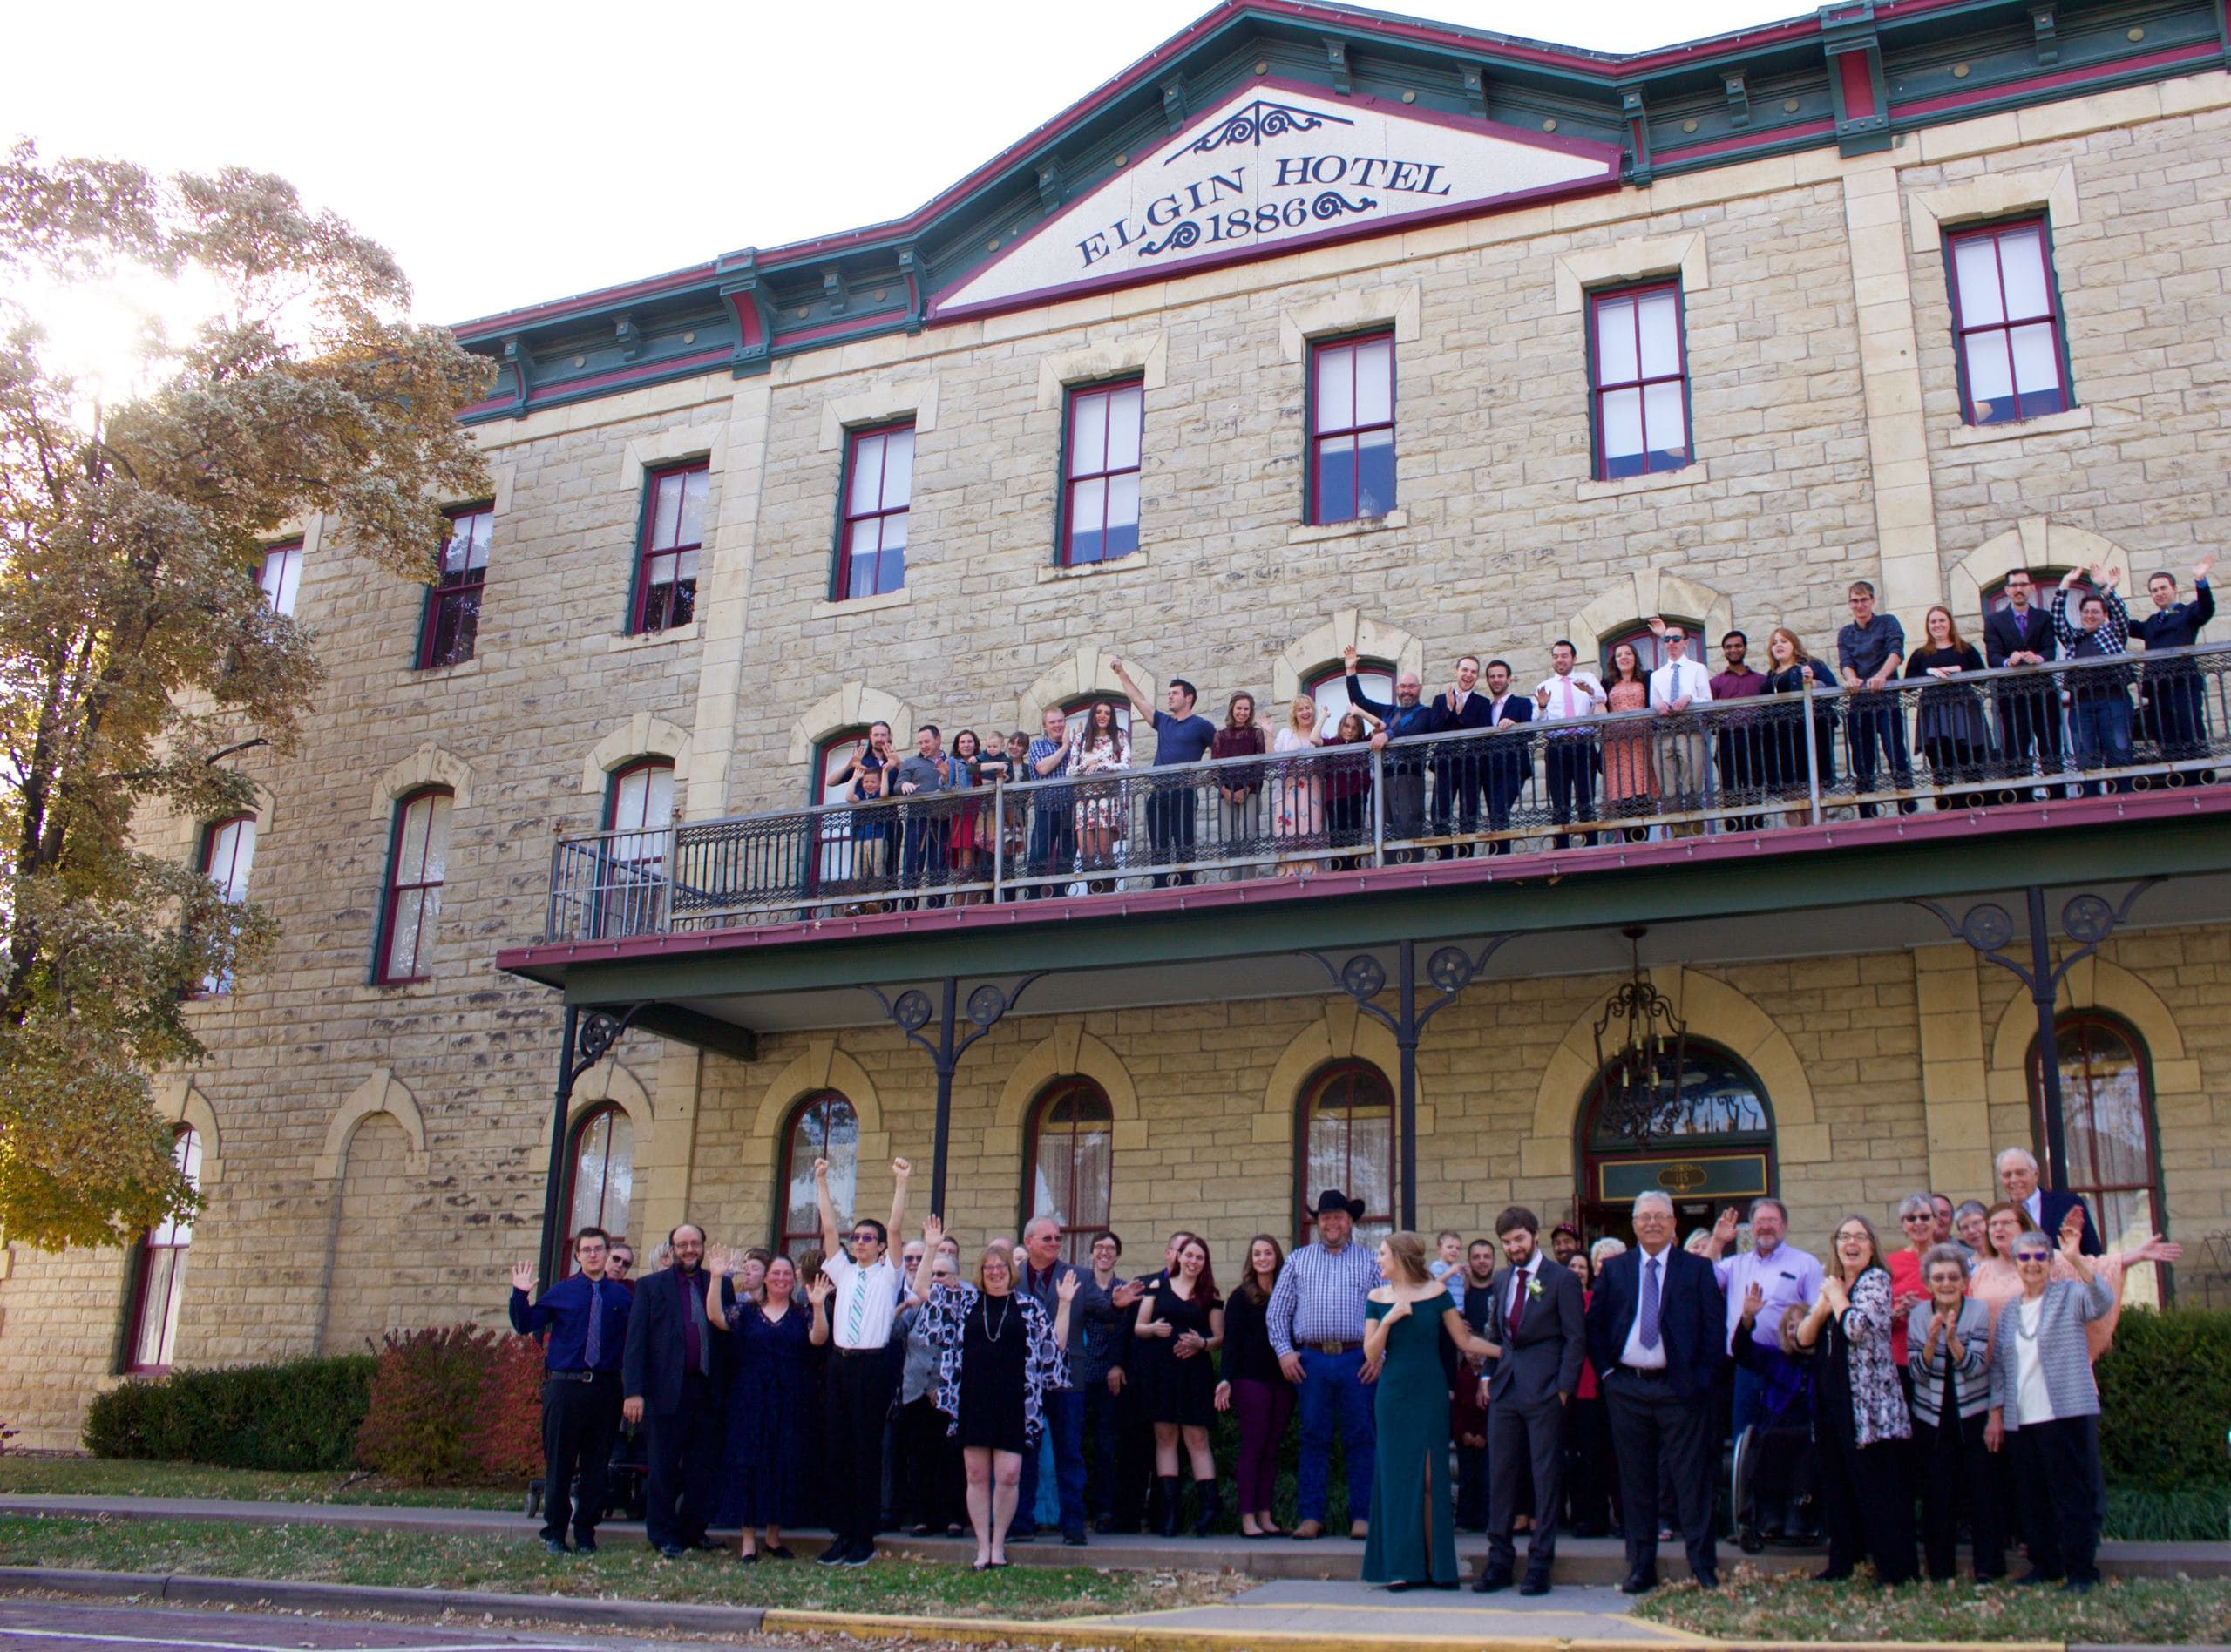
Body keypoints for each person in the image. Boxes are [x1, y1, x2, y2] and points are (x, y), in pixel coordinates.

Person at [910, 1219, 1077, 1571]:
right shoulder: (966, 1303)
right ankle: (982, 1547)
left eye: (1002, 1267)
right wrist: (929, 1248)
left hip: (1014, 1403)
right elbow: (924, 1289)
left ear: (1011, 1272)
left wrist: (1064, 1304)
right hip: (973, 1400)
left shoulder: (1029, 1308)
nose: (996, 1273)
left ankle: (999, 1544)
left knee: (1010, 1475)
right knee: (975, 1475)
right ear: (981, 1272)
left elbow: (1056, 1346)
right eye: (989, 1268)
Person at [1584, 1190, 1724, 1593]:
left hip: (1680, 1390)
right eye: (1644, 1217)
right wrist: (1609, 1375)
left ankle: (1702, 1566)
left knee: (1691, 1482)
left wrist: (1700, 1381)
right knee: (1636, 1483)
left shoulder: (1696, 1270)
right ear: (1633, 1223)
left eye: (1660, 1216)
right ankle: (1640, 1567)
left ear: (1673, 1223)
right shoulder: (1615, 1269)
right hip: (1628, 1388)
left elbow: (1714, 1332)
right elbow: (1596, 1326)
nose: (1652, 1223)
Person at [1988, 1211, 2117, 1592]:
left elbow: (2102, 1301)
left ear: (2049, 1262)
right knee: (2033, 1497)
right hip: (2022, 1418)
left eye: (2039, 1257)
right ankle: (2044, 1564)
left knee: (2071, 1496)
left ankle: (2081, 1571)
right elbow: (1999, 1366)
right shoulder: (2011, 1310)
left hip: (2065, 1413)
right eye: (2024, 1258)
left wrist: (2075, 1259)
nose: (2031, 1265)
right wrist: (1996, 1413)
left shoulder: (2070, 1294)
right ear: (2015, 1263)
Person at [1362, 1231, 1496, 1590]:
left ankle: (1437, 1567)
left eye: (1382, 1254)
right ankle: (1401, 1568)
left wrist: (1508, 1354)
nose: (1378, 1260)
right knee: (1396, 1476)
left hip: (1430, 1392)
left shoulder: (1436, 1294)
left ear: (1401, 1258)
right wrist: (1390, 1319)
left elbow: (1464, 1341)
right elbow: (1371, 1355)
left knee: (1429, 1477)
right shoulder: (1377, 1297)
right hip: (1393, 1395)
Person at [1792, 1215, 1916, 1587]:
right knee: (1836, 1483)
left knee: (1878, 1486)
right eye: (1844, 1237)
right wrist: (1822, 1305)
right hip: (1832, 1399)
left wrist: (1836, 1298)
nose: (1851, 1243)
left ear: (1871, 1246)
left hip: (1868, 1403)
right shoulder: (1832, 1284)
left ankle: (1896, 1569)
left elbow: (1858, 1329)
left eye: (1859, 1237)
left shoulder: (1876, 1281)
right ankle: (1842, 1561)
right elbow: (1803, 1338)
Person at [1473, 1207, 1587, 1597]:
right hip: (1505, 1389)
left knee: (1544, 1477)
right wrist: (1487, 1375)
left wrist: (1563, 1389)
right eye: (1506, 1242)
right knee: (1501, 1476)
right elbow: (1494, 1333)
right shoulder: (1502, 1280)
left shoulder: (1561, 1279)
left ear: (1534, 1236)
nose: (1513, 1248)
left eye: (1519, 1240)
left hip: (1545, 1390)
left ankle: (1540, 1564)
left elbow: (1576, 1338)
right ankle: (1499, 1562)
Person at [1265, 1189, 1383, 1540]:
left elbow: (1388, 1311)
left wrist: (1380, 1355)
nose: (1333, 1223)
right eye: (1326, 1217)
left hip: (1357, 1359)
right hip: (1311, 1360)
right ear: (1318, 1223)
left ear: (1350, 1222)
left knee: (1362, 1437)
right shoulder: (1298, 1261)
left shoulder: (1370, 1261)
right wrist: (1285, 1352)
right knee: (1313, 1437)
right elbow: (1277, 1312)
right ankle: (1310, 1517)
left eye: (1339, 1217)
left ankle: (1363, 1516)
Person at [812, 1154, 912, 1566]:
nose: (859, 1242)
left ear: (882, 1247)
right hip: (840, 1363)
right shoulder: (844, 1271)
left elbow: (895, 1226)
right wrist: (820, 1180)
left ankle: (864, 1538)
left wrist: (901, 1183)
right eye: (857, 1238)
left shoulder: (889, 1274)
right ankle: (842, 1533)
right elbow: (829, 1227)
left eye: (867, 1239)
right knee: (838, 1449)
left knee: (865, 1450)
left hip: (873, 1367)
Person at [509, 1229, 630, 1555]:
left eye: (598, 1249)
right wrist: (520, 1295)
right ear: (577, 1255)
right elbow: (525, 1323)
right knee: (560, 1463)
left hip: (606, 1388)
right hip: (564, 1387)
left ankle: (586, 1534)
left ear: (607, 1254)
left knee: (596, 1464)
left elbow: (635, 1344)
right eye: (586, 1250)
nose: (593, 1255)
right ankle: (554, 1534)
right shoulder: (562, 1291)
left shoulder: (621, 1297)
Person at [706, 1249, 828, 1561]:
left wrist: (818, 1306)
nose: (781, 1279)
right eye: (776, 1273)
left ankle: (773, 1537)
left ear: (794, 1279)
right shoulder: (745, 1313)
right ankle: (748, 1541)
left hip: (791, 1398)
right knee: (749, 1462)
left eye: (787, 1275)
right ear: (766, 1277)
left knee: (782, 1462)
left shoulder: (803, 1313)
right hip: (751, 1398)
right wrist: (717, 1277)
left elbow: (818, 1339)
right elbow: (715, 1317)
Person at [620, 1223, 732, 1559]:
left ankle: (693, 1531)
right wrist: (633, 1392)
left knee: (703, 1469)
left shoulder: (720, 1285)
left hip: (708, 1390)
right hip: (666, 1391)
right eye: (682, 1244)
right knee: (664, 1467)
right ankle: (663, 1535)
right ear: (671, 1250)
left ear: (703, 1246)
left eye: (694, 1244)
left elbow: (727, 1338)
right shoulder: (650, 1287)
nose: (689, 1250)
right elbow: (636, 1342)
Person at [1012, 1215, 1108, 1546]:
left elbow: (1103, 1309)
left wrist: (1118, 1306)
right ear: (1029, 1242)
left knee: (1069, 1451)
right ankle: (1022, 1523)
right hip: (1023, 1379)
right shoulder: (1012, 1278)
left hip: (1067, 1377)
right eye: (1047, 1238)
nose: (1054, 1243)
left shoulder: (1078, 1275)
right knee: (1025, 1452)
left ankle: (1073, 1525)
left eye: (1057, 1239)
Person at [1909, 1242, 2001, 1582]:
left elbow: (1977, 1367)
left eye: (1952, 1277)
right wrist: (1932, 1342)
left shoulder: (1977, 1311)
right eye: (1938, 1278)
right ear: (1928, 1284)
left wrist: (1954, 1342)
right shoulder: (1919, 1315)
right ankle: (1940, 1569)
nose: (1945, 1283)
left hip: (1972, 1415)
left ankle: (1988, 1569)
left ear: (1964, 1281)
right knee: (1937, 1495)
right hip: (1932, 1418)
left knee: (1983, 1495)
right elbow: (1917, 1373)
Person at [1702, 1198, 1821, 1453]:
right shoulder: (1736, 1264)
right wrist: (1718, 1242)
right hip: (1745, 1368)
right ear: (1751, 1227)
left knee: (1783, 1444)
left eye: (1772, 1221)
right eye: (1760, 1222)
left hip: (1786, 1368)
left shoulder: (1805, 1263)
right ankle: (1745, 1493)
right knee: (1743, 1440)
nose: (1766, 1227)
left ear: (1785, 1226)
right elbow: (1699, 1279)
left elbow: (1816, 1316)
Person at [1134, 1234, 1225, 1534]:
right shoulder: (1157, 1288)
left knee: (1197, 1440)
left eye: (1199, 1257)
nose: (1193, 1261)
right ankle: (1169, 1512)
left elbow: (1220, 1338)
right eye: (1189, 1255)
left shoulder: (1210, 1294)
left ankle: (1209, 1510)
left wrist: (1202, 1343)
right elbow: (1139, 1327)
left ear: (1204, 1262)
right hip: (1161, 1373)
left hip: (1194, 1375)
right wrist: (1153, 1328)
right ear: (1178, 1257)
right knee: (1165, 1439)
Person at [1215, 1235, 1293, 1539]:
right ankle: (1248, 1519)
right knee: (1253, 1446)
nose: (1263, 1258)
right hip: (1250, 1380)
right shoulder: (1240, 1297)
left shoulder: (1287, 1293)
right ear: (1252, 1259)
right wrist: (1225, 1378)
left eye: (1268, 1252)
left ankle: (1266, 1516)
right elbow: (1231, 1343)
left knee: (1272, 1449)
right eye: (1257, 1253)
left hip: (1282, 1380)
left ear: (1277, 1257)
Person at [1112, 657, 1216, 886]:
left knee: (1184, 844)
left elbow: (1222, 750)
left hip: (1184, 792)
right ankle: (1159, 886)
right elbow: (1138, 700)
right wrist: (1121, 673)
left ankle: (1186, 885)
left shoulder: (1201, 726)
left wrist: (1209, 778)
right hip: (1158, 792)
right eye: (1169, 693)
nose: (1169, 696)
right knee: (1158, 845)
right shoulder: (1164, 723)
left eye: (1174, 693)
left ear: (1188, 698)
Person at [895, 1250, 966, 1536]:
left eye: (942, 1274)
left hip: (949, 1394)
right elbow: (891, 1333)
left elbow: (963, 1350)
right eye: (932, 1274)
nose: (936, 1279)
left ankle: (953, 1516)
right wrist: (900, 1309)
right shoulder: (916, 1307)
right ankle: (922, 1516)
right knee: (919, 1457)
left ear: (955, 1280)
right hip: (915, 1392)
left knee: (950, 1459)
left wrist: (945, 1386)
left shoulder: (963, 1307)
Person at [1076, 1231, 1143, 1529]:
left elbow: (1128, 1336)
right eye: (1099, 1247)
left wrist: (1117, 1365)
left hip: (1109, 1378)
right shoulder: (1079, 1286)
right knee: (1073, 1444)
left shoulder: (1124, 1289)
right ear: (1091, 1253)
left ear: (1117, 1256)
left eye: (1111, 1249)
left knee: (1105, 1446)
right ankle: (1074, 1509)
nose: (1104, 1252)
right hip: (1076, 1375)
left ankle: (1103, 1510)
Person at [2051, 564, 2136, 794]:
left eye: (2095, 612)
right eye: (2086, 612)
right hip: (2082, 702)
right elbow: (2057, 619)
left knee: (2118, 751)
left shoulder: (2112, 633)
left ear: (2104, 616)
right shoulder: (2074, 637)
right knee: (2085, 755)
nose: (2089, 616)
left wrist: (2104, 587)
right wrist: (2065, 585)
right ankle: (2090, 798)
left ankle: (2124, 797)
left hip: (2114, 700)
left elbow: (2120, 613)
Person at [1343, 645, 1437, 850]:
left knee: (1407, 832)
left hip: (1408, 779)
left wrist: (1388, 734)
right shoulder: (1389, 711)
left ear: (1419, 689)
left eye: (1411, 687)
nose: (1407, 691)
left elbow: (1417, 730)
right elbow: (1359, 702)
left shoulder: (1425, 713)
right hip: (1382, 779)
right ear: (1397, 689)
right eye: (1403, 687)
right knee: (1382, 834)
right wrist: (1351, 671)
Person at [1983, 568, 2065, 797]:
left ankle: (2057, 795)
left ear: (2031, 588)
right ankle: (2020, 797)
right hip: (2011, 695)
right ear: (2007, 590)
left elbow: (2050, 648)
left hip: (2043, 692)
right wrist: (2009, 660)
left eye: (2023, 585)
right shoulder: (1994, 621)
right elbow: (1993, 655)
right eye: (2014, 585)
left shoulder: (2044, 617)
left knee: (2050, 743)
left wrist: (2038, 658)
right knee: (2016, 747)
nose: (2018, 589)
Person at [1838, 580, 1917, 816]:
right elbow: (1846, 662)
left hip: (1885, 698)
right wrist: (1851, 679)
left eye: (1864, 600)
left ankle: (1908, 806)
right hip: (1859, 701)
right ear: (1850, 604)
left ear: (1872, 601)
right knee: (1863, 757)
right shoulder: (1846, 632)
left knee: (1895, 751)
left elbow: (1896, 651)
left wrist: (1881, 676)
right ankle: (1866, 811)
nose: (1860, 605)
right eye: (1855, 600)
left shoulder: (1887, 622)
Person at [1904, 607, 1990, 809]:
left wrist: (1958, 670)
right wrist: (1928, 672)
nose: (1938, 625)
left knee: (1969, 757)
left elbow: (1983, 679)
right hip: (1935, 713)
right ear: (1928, 626)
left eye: (1941, 620)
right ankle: (1945, 806)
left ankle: (1975, 806)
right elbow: (1908, 684)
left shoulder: (1965, 650)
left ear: (1950, 623)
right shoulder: (1921, 654)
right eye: (1933, 622)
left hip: (1964, 711)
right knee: (1940, 761)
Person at [2135, 555, 2215, 758]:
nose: (2159, 593)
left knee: (2190, 733)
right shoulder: (2151, 623)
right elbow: (2123, 625)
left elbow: (2206, 610)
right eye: (2154, 590)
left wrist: (2201, 581)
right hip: (2157, 688)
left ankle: (2199, 780)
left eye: (2163, 588)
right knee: (2166, 739)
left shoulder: (2186, 612)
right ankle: (2179, 778)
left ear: (2174, 589)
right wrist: (2106, 593)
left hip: (2183, 684)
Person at [1759, 627, 1834, 824]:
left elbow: (1833, 689)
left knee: (1812, 789)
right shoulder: (1770, 675)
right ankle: (1798, 834)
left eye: (1784, 641)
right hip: (1781, 741)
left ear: (1794, 645)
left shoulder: (1810, 665)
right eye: (1775, 643)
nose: (1779, 645)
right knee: (1789, 792)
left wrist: (1813, 682)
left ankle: (1816, 832)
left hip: (1807, 736)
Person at [1536, 641, 1607, 849]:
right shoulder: (1545, 686)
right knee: (1560, 801)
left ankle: (1591, 845)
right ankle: (1561, 848)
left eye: (1564, 656)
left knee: (1586, 798)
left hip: (1583, 744)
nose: (1560, 660)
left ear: (1574, 658)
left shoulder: (1587, 678)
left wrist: (1590, 691)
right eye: (1556, 656)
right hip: (1556, 747)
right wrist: (1541, 706)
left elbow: (1602, 698)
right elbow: (1537, 721)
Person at [1645, 619, 1714, 832]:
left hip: (1689, 729)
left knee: (1692, 782)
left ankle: (1695, 830)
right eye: (1667, 639)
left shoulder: (1697, 669)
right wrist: (1657, 704)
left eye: (1676, 639)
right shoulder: (1657, 675)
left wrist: (1688, 698)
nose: (1671, 643)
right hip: (1664, 732)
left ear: (1686, 643)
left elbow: (1707, 700)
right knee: (1668, 787)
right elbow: (1652, 704)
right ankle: (1676, 832)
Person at [1450, 1237, 1500, 1530]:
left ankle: (1494, 1516)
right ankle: (1468, 1518)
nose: (1482, 1261)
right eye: (1477, 1257)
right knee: (1469, 1466)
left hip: (1496, 1373)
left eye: (1487, 1256)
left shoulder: (1501, 1290)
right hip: (1466, 1377)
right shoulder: (1463, 1297)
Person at [1427, 655, 1494, 854]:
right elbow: (1434, 729)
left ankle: (1466, 855)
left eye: (1473, 672)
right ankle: (1444, 856)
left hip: (1471, 767)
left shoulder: (1483, 703)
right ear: (1456, 672)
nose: (1468, 675)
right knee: (1439, 812)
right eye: (1465, 670)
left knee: (1469, 813)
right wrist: (1449, 709)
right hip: (1445, 764)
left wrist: (1460, 712)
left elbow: (1482, 732)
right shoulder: (1440, 700)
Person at [1709, 630, 1769, 830]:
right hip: (1728, 739)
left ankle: (1756, 831)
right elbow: (1710, 714)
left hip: (1755, 738)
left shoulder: (1761, 680)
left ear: (1745, 648)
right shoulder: (1716, 682)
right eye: (1729, 647)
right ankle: (1734, 832)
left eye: (1737, 646)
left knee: (1754, 787)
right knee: (1730, 789)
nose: (1733, 650)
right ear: (1724, 651)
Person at [1996, 1146, 2101, 1256]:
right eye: (2007, 1175)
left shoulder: (2068, 1205)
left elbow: (2093, 1255)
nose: (2014, 1180)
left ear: (2036, 1174)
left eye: (2020, 1173)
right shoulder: (1997, 1218)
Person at [1067, 701, 1130, 881]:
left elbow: (1126, 765)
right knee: (1086, 854)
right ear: (1093, 715)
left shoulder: (1119, 735)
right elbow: (1069, 771)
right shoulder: (1081, 738)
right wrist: (1086, 765)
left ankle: (1107, 896)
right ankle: (1091, 896)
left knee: (1104, 851)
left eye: (1107, 713)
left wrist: (1100, 766)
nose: (1103, 716)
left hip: (1106, 799)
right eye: (1099, 712)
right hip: (1083, 800)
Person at [1600, 642, 1656, 841]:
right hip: (1616, 744)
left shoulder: (1647, 678)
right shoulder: (1607, 683)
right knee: (1622, 788)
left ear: (1635, 657)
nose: (1624, 657)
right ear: (1614, 661)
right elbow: (1600, 709)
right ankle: (1628, 838)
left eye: (1628, 654)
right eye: (1619, 655)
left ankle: (1642, 837)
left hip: (1642, 741)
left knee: (1642, 786)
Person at [892, 725, 953, 903]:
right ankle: (908, 910)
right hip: (916, 820)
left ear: (938, 739)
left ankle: (937, 908)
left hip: (942, 821)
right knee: (912, 865)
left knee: (940, 867)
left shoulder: (950, 762)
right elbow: (898, 785)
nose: (923, 745)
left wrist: (946, 777)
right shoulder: (911, 762)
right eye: (920, 742)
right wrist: (904, 785)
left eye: (927, 741)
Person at [1477, 662, 1534, 853]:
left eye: (1500, 676)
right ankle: (1498, 853)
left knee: (1499, 810)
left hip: (1513, 767)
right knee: (1495, 814)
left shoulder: (1522, 703)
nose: (1496, 680)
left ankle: (1500, 856)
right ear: (1487, 680)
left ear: (1508, 679)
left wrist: (1515, 723)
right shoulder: (1485, 707)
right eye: (1492, 676)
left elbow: (1530, 734)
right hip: (1489, 770)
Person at [1209, 692, 1267, 876]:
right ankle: (1235, 880)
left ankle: (1248, 880)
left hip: (1250, 790)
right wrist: (1223, 790)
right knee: (1230, 838)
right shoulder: (1220, 736)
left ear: (1251, 712)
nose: (1242, 712)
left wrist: (1247, 788)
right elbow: (1214, 768)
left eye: (1246, 709)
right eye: (1239, 708)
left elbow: (1259, 765)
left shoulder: (1256, 734)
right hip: (1226, 792)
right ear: (1232, 709)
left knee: (1250, 835)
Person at [1320, 702, 1387, 861]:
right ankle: (1338, 876)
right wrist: (1323, 717)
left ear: (1359, 730)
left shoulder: (1363, 742)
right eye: (1346, 726)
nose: (1349, 730)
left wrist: (1359, 712)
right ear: (1341, 726)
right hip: (1335, 798)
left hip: (1357, 796)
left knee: (1354, 839)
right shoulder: (1333, 742)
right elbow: (1314, 738)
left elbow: (1382, 726)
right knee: (1337, 840)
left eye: (1354, 727)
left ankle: (1352, 870)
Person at [1024, 707, 1077, 897]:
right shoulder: (1038, 746)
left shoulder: (1076, 745)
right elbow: (1043, 768)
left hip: (1070, 808)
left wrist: (1074, 743)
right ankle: (1034, 898)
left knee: (1067, 856)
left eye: (1061, 721)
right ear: (1044, 726)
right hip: (1047, 807)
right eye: (1053, 722)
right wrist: (1064, 747)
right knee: (1040, 854)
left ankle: (1061, 895)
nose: (1057, 725)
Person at [1270, 696, 1326, 871]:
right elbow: (1272, 761)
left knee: (1311, 830)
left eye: (1308, 708)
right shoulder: (1286, 734)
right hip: (1288, 790)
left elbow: (1327, 763)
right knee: (1287, 831)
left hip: (1313, 789)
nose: (1305, 712)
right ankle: (1287, 874)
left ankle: (1311, 873)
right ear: (1294, 714)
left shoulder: (1321, 734)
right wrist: (1267, 734)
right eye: (1300, 709)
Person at [1887, 1193, 1938, 1378]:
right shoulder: (1889, 1263)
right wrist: (1896, 1312)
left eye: (1925, 1217)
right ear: (1904, 1226)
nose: (1918, 1223)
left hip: (1939, 1354)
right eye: (1911, 1218)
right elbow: (1879, 1314)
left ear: (1936, 1221)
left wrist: (1923, 1310)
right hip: (1899, 1356)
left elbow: (1962, 1306)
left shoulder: (1949, 1259)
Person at [943, 730, 988, 903]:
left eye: (970, 741)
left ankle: (973, 905)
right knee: (965, 865)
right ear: (957, 745)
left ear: (975, 744)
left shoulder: (983, 761)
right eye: (962, 742)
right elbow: (947, 788)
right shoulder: (953, 762)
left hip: (982, 813)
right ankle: (959, 908)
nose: (966, 745)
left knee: (980, 865)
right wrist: (944, 776)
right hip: (964, 814)